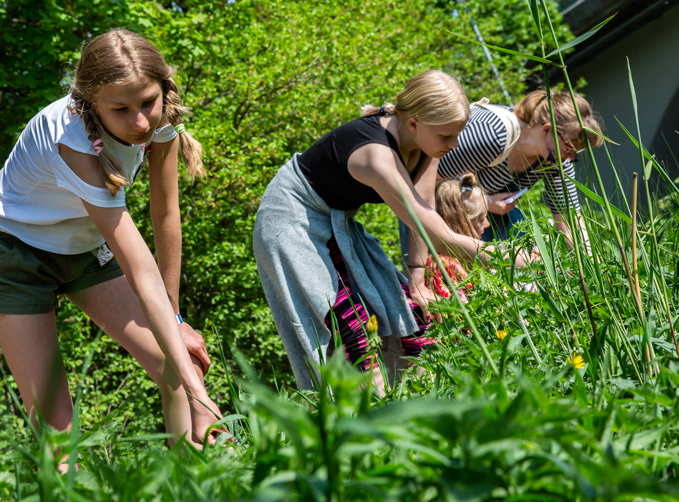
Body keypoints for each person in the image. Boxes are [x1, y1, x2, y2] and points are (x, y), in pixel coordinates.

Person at [0, 28, 222, 447]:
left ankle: (192, 476)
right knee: (59, 436)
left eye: (148, 103)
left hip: (85, 246)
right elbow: (140, 270)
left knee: (178, 365)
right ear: (92, 105)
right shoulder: (72, 141)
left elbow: (165, 216)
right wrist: (203, 399)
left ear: (163, 89)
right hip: (15, 253)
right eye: (121, 109)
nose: (140, 121)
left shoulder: (160, 121)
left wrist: (175, 321)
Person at [253, 70, 496, 390]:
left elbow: (424, 210)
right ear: (413, 124)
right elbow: (435, 232)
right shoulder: (375, 156)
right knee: (351, 331)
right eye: (446, 136)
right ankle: (368, 420)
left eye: (456, 135)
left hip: (335, 220)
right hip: (291, 221)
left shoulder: (428, 141)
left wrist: (418, 279)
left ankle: (423, 400)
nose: (453, 145)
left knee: (409, 314)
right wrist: (498, 256)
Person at [436, 89, 603, 249]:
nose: (572, 158)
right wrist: (484, 202)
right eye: (569, 148)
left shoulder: (555, 160)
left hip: (485, 216)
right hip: (444, 208)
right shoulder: (492, 136)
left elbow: (569, 221)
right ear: (547, 130)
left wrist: (590, 269)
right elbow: (429, 181)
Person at [423, 173, 491, 301]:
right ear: (461, 223)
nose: (487, 224)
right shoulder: (445, 264)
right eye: (481, 220)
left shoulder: (465, 258)